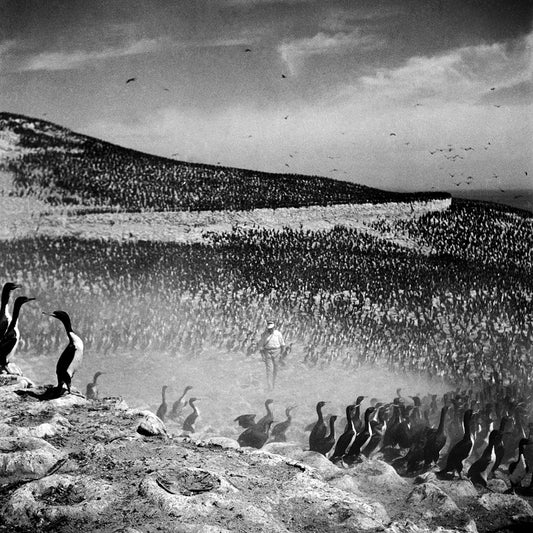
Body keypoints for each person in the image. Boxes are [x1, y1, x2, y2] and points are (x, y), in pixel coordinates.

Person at [257, 319, 286, 390]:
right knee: (269, 370)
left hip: (277, 351)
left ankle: (274, 384)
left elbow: (282, 344)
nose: (270, 330)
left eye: (271, 328)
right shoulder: (264, 335)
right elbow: (261, 346)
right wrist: (262, 356)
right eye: (269, 329)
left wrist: (281, 354)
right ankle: (270, 386)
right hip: (267, 352)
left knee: (276, 369)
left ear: (274, 328)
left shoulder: (278, 334)